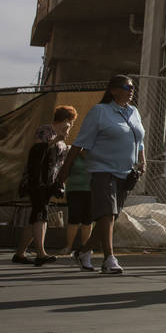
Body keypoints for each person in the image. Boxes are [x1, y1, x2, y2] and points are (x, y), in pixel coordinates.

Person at [58, 77, 144, 275]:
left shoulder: (134, 112)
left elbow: (140, 140)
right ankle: (109, 258)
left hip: (127, 172)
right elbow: (80, 143)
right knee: (106, 213)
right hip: (102, 169)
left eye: (132, 87)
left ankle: (84, 251)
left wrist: (143, 160)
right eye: (126, 87)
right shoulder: (100, 112)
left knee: (111, 216)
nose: (131, 90)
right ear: (113, 91)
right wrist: (64, 172)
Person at [13, 106, 76, 266]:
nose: (71, 125)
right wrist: (57, 138)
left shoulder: (62, 137)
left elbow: (59, 162)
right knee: (41, 213)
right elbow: (37, 153)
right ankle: (41, 253)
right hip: (37, 180)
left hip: (50, 181)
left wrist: (60, 182)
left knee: (35, 216)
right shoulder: (46, 131)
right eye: (71, 122)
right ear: (65, 121)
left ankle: (20, 253)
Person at [60, 153, 94, 266]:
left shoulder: (96, 155)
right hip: (74, 190)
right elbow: (66, 169)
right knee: (73, 219)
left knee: (87, 220)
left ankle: (85, 247)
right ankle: (69, 246)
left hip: (91, 190)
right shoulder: (74, 154)